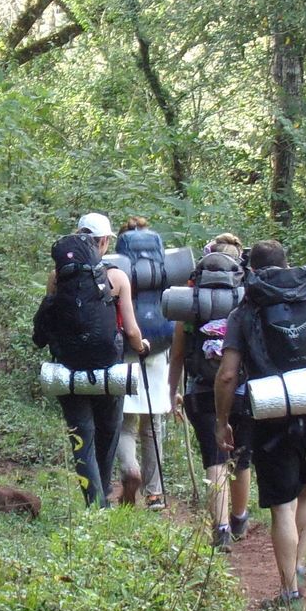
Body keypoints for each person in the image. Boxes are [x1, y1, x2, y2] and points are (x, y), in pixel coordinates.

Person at [213, 239, 306, 608]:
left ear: (251, 270)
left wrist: (222, 421)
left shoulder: (247, 308)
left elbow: (227, 375)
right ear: (287, 264)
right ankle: (300, 567)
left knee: (281, 505)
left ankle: (289, 591)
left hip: (271, 411)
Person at [32, 213, 148, 506]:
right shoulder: (117, 277)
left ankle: (94, 503)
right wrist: (142, 345)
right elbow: (132, 330)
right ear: (105, 242)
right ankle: (106, 493)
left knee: (80, 433)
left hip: (68, 366)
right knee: (108, 430)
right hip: (107, 366)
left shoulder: (58, 276)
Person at [168, 235, 252, 547]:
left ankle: (221, 529)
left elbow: (177, 355)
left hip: (200, 391)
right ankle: (240, 518)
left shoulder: (191, 301)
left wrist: (171, 393)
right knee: (242, 456)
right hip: (243, 391)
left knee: (214, 459)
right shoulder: (247, 299)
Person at [113, 217, 172, 510]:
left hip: (126, 349)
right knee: (153, 425)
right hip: (159, 349)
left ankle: (130, 471)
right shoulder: (163, 268)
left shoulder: (116, 268)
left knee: (125, 423)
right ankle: (155, 494)